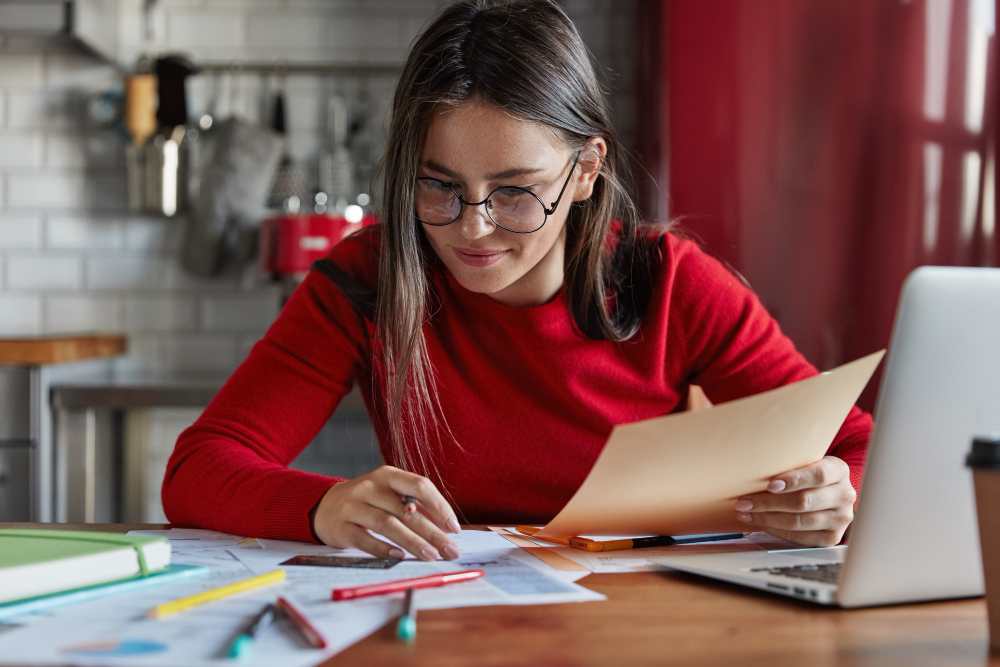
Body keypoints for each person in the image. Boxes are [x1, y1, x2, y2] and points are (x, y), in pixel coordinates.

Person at [162, 0, 872, 563]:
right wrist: (324, 507)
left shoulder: (672, 283)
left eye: (514, 192)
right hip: (459, 619)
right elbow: (197, 469)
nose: (472, 228)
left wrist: (840, 494)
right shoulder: (369, 279)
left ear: (586, 171)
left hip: (639, 628)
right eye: (439, 186)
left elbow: (859, 445)